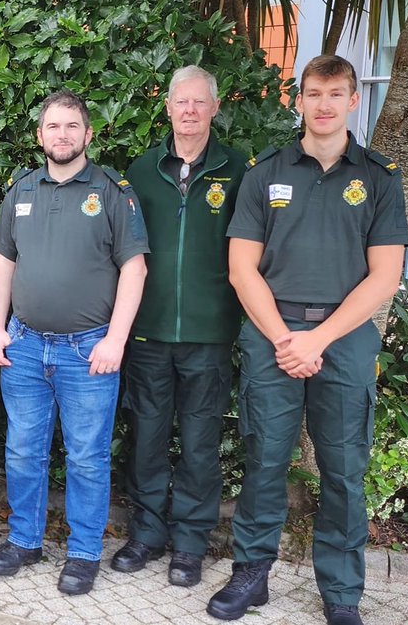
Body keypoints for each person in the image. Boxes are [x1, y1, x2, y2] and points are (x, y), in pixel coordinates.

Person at [208, 55, 408, 625]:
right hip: (274, 335)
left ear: (353, 100)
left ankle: (342, 593)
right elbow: (242, 269)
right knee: (265, 459)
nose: (323, 104)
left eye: (335, 93)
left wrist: (316, 339)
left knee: (343, 470)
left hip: (343, 339)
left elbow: (385, 276)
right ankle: (252, 575)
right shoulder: (264, 172)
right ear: (298, 101)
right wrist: (284, 339)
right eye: (313, 93)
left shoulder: (377, 177)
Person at [0, 90, 149, 596]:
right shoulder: (22, 191)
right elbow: (4, 263)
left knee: (86, 457)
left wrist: (116, 340)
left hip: (89, 351)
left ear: (88, 133)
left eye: (71, 126)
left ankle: (82, 554)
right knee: (22, 451)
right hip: (26, 346)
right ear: (40, 135)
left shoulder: (113, 192)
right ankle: (25, 541)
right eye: (53, 127)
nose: (62, 135)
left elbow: (135, 268)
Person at [112, 65, 247, 586]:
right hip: (146, 333)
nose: (189, 111)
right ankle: (146, 534)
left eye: (199, 102)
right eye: (180, 102)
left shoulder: (239, 170)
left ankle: (190, 542)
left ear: (215, 108)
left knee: (198, 441)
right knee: (145, 435)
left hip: (210, 335)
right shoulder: (141, 171)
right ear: (166, 108)